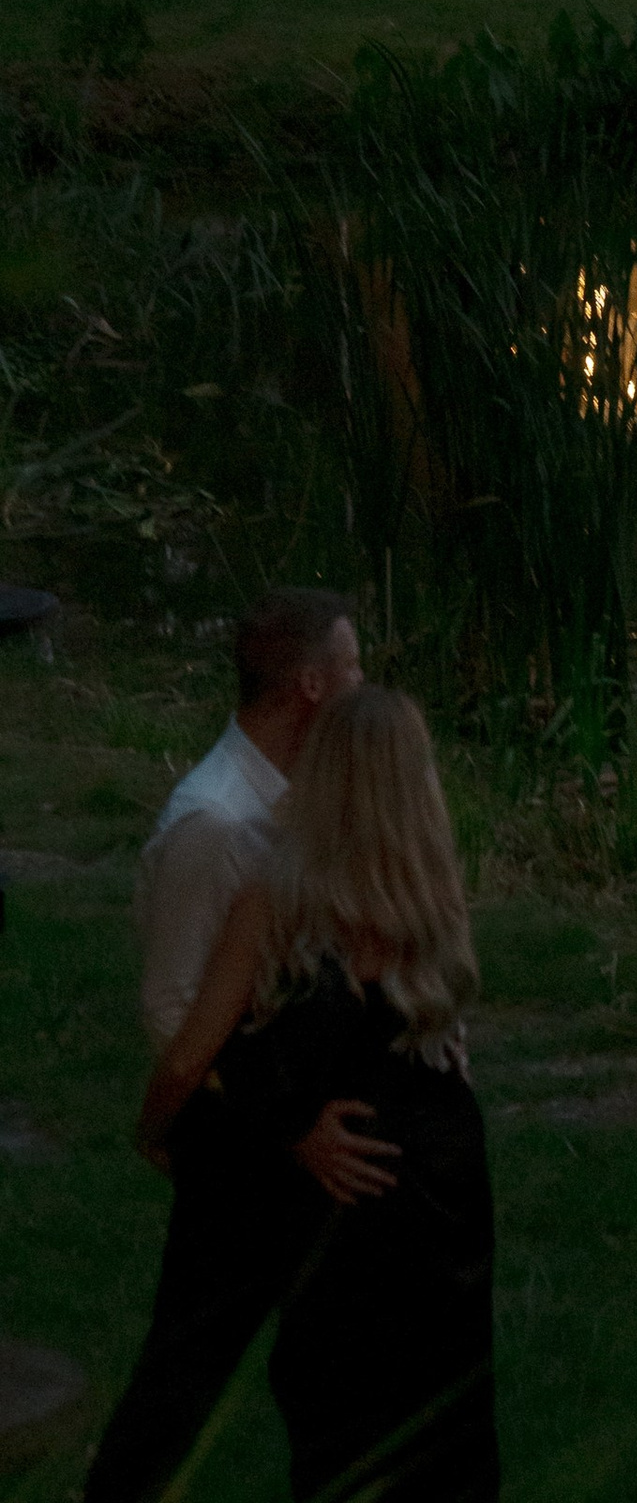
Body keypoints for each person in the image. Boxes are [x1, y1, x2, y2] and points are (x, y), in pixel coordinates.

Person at [139, 687, 498, 1503]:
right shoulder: (432, 892)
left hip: (346, 1178)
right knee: (445, 1404)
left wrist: (157, 1129)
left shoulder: (278, 901)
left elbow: (192, 1054)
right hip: (443, 1171)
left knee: (341, 1399)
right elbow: (449, 1037)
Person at [86, 592, 381, 1503]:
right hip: (242, 1138)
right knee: (191, 1359)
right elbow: (174, 1009)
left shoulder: (302, 802)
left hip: (292, 1128)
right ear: (308, 685)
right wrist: (283, 1119)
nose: (365, 682)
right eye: (354, 666)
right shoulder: (212, 826)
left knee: (331, 1363)